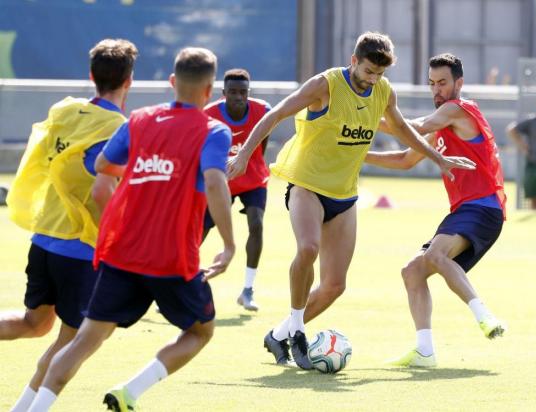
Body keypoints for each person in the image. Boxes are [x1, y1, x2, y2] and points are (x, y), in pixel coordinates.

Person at [228, 32, 476, 370]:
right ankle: (297, 331)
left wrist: (439, 158)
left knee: (334, 286)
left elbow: (403, 130)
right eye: (369, 72)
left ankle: (278, 335)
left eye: (380, 74)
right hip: (307, 185)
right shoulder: (325, 85)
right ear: (354, 61)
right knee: (307, 249)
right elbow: (276, 116)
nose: (373, 80)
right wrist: (244, 154)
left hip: (344, 195)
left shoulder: (384, 92)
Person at [26, 47, 235, 411]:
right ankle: (131, 390)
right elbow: (216, 183)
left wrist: (149, 169)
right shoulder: (213, 132)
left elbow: (105, 163)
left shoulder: (138, 120)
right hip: (172, 259)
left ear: (172, 82)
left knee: (82, 342)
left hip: (122, 252)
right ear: (209, 90)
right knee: (201, 330)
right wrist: (229, 244)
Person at [2, 38, 138, 411]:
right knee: (75, 340)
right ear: (129, 81)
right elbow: (101, 188)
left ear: (91, 76)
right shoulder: (118, 129)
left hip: (44, 237)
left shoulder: (65, 112)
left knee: (35, 324)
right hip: (82, 248)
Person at [365, 53, 507, 367]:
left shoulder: (457, 109)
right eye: (432, 84)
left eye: (442, 83)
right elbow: (405, 159)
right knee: (412, 271)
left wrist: (361, 114)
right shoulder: (443, 124)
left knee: (435, 256)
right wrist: (360, 155)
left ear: (459, 83)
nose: (436, 90)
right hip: (467, 210)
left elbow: (413, 126)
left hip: (482, 206)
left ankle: (484, 316)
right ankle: (424, 351)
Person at [203, 68, 272, 312]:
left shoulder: (263, 111)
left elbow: (262, 143)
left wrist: (250, 164)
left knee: (257, 224)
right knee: (199, 230)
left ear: (248, 93)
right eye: (232, 92)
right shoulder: (209, 115)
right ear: (223, 93)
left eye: (243, 92)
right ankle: (181, 282)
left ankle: (248, 290)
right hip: (220, 181)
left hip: (252, 178)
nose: (238, 97)